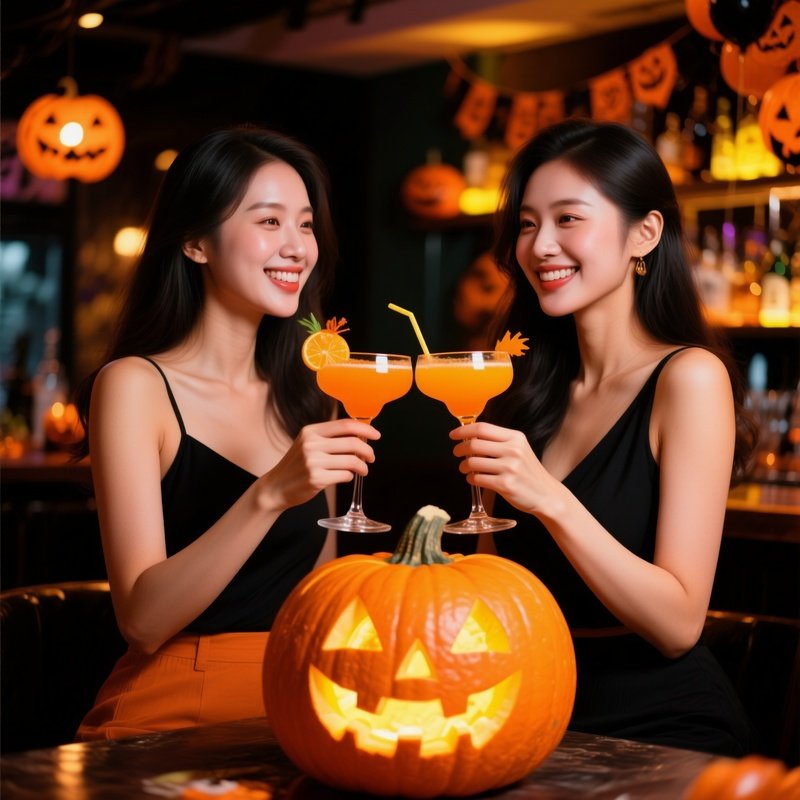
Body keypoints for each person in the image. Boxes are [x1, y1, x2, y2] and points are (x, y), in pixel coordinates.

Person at [449, 119, 757, 756]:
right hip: (525, 710)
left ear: (644, 233)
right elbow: (491, 585)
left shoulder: (689, 378)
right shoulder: (520, 387)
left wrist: (550, 499)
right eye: (528, 224)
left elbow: (677, 624)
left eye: (569, 219)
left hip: (658, 727)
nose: (540, 246)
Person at [72, 126, 380, 740]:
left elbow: (310, 599)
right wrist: (269, 493)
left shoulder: (309, 390)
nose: (297, 246)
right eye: (269, 222)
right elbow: (143, 619)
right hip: (176, 705)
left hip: (300, 698)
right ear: (195, 243)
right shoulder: (135, 386)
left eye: (306, 224)